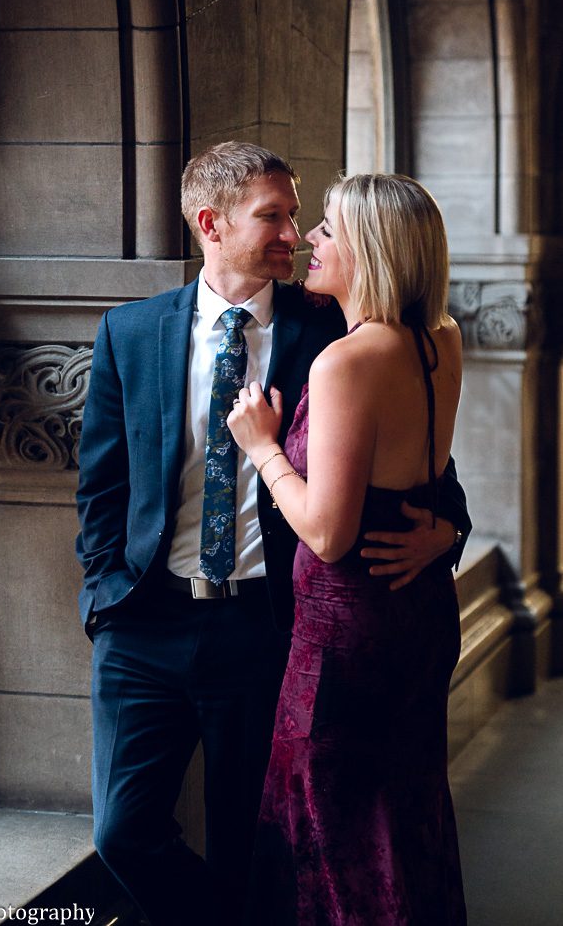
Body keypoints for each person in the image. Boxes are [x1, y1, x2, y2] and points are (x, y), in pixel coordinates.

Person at [75, 144, 470, 926]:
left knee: (254, 848)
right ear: (210, 223)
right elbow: (101, 483)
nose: (294, 233)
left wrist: (448, 527)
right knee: (122, 832)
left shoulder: (334, 328)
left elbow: (417, 455)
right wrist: (103, 596)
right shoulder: (131, 331)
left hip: (269, 630)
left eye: (301, 216)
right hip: (145, 624)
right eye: (275, 216)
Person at [228, 172, 467, 925]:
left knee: (338, 843)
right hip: (418, 618)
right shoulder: (441, 340)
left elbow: (329, 533)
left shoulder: (347, 362)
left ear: (370, 248)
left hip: (346, 642)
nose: (311, 242)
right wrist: (449, 530)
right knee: (403, 820)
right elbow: (422, 475)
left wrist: (265, 449)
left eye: (327, 228)